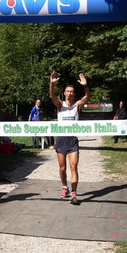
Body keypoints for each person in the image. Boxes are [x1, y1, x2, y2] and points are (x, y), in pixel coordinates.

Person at [50, 70, 90, 204]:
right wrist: (52, 84)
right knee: (62, 168)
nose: (70, 93)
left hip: (72, 139)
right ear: (65, 93)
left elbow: (87, 97)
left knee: (73, 167)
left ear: (74, 94)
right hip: (61, 139)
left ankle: (74, 193)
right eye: (68, 91)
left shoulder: (77, 105)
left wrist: (85, 86)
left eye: (72, 92)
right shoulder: (60, 105)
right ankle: (64, 187)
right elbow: (52, 96)